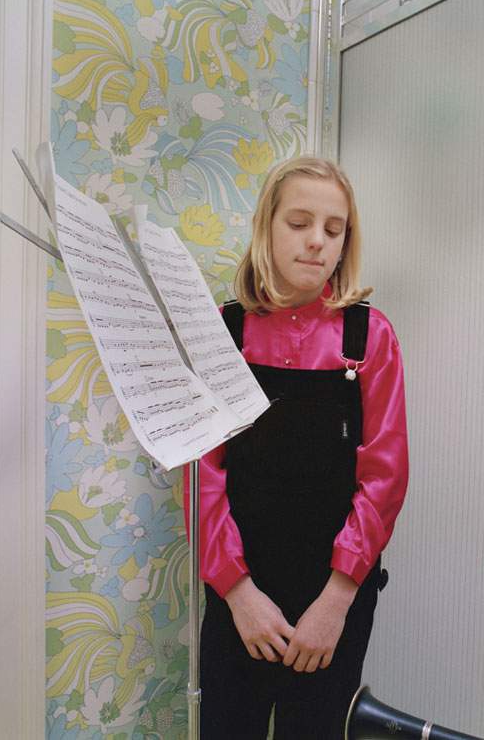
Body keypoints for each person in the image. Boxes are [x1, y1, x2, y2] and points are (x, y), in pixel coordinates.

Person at [185, 155, 408, 738]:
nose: (317, 242)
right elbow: (205, 478)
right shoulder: (223, 332)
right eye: (299, 223)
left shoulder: (369, 338)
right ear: (267, 227)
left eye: (333, 230)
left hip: (335, 598)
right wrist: (237, 594)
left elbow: (384, 479)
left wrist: (335, 602)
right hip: (241, 594)